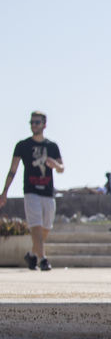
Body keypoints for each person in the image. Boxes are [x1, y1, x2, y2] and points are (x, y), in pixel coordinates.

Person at [2, 111, 65, 271]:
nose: (33, 125)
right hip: (31, 191)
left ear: (44, 124)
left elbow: (62, 168)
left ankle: (32, 255)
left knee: (46, 227)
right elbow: (13, 170)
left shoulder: (52, 146)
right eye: (31, 122)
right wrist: (4, 192)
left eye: (37, 122)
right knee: (35, 225)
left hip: (48, 191)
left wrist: (55, 165)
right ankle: (43, 259)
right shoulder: (22, 145)